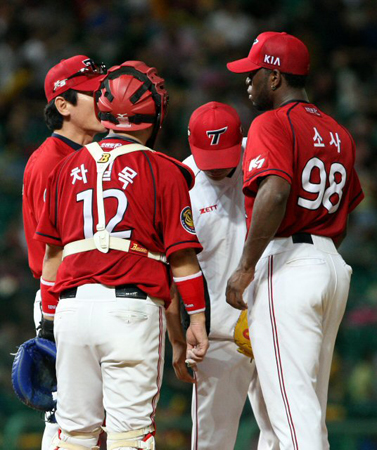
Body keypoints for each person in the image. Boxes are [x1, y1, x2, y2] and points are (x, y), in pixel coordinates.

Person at [34, 60, 209, 450]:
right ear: (156, 114)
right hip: (130, 312)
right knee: (130, 438)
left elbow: (52, 255)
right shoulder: (166, 170)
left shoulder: (65, 168)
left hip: (71, 312)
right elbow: (182, 260)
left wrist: (47, 323)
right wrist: (195, 319)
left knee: (74, 436)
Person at [226, 31, 364, 449]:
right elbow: (350, 199)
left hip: (289, 264)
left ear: (275, 77)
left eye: (254, 73)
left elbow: (276, 191)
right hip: (329, 262)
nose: (247, 82)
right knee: (300, 405)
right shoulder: (339, 132)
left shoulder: (271, 122)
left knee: (291, 410)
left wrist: (246, 266)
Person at [182, 101, 278, 450]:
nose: (219, 169)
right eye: (211, 162)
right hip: (218, 335)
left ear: (241, 140)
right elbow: (178, 264)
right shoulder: (182, 180)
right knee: (211, 443)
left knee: (285, 435)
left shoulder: (268, 157)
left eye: (225, 159)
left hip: (274, 322)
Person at [22, 54, 107, 449]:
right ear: (63, 106)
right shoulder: (50, 162)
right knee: (67, 421)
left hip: (89, 297)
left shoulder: (88, 157)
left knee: (102, 421)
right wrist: (50, 321)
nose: (103, 99)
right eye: (92, 93)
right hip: (62, 297)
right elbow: (50, 253)